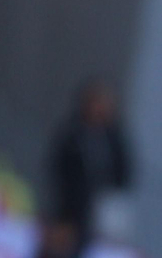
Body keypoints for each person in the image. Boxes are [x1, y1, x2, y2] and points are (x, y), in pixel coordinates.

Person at [48, 79, 133, 246]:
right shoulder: (73, 135)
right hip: (72, 212)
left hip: (104, 212)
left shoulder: (114, 139)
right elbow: (60, 170)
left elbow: (123, 172)